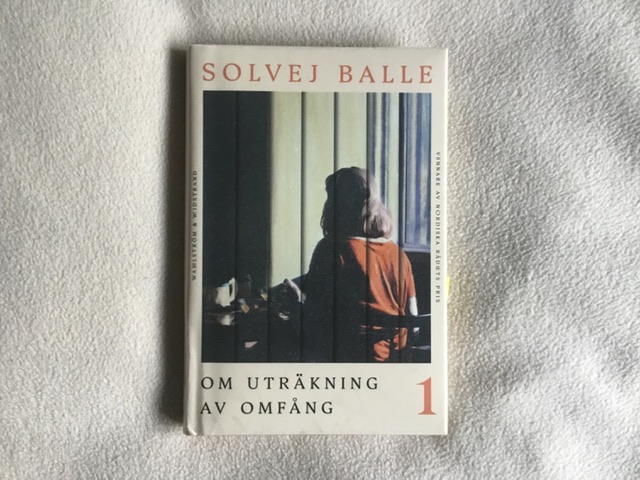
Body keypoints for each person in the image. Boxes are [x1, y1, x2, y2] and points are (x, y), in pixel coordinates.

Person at [288, 167, 418, 362]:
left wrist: (295, 298)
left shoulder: (332, 249)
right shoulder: (398, 254)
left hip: (347, 358)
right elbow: (413, 319)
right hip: (395, 360)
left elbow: (314, 316)